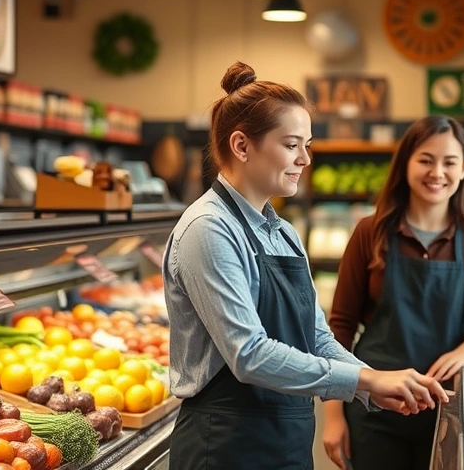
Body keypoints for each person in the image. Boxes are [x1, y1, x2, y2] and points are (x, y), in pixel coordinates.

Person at [163, 62, 449, 470]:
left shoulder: (283, 233)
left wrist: (372, 383)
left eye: (307, 145)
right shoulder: (208, 229)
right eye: (292, 144)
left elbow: (316, 338)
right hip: (226, 444)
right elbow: (249, 354)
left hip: (287, 440)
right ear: (242, 146)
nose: (305, 160)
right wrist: (367, 380)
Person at [323, 115, 464, 470]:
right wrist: (333, 414)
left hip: (448, 407)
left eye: (449, 162)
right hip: (375, 409)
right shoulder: (370, 231)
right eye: (426, 159)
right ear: (406, 162)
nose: (437, 172)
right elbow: (339, 329)